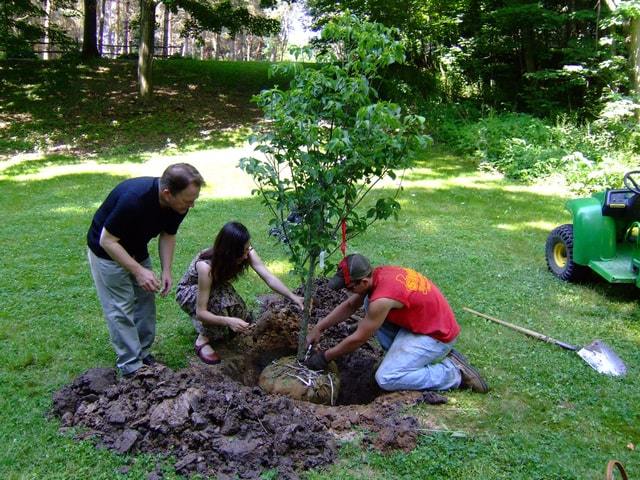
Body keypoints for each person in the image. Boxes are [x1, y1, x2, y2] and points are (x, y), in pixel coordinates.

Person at [305, 254, 488, 393]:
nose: (348, 291)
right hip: (425, 324)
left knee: (386, 378)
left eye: (350, 287)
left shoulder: (382, 299)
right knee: (368, 302)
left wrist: (325, 357)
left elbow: (358, 338)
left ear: (363, 280)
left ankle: (454, 372)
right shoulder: (379, 275)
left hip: (437, 336)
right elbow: (351, 305)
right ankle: (402, 361)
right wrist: (319, 327)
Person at [87, 163, 204, 377]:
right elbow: (107, 240)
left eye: (194, 199)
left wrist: (166, 270)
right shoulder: (134, 200)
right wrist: (139, 271)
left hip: (136, 247)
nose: (192, 205)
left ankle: (142, 353)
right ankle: (131, 366)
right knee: (121, 307)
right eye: (188, 200)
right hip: (107, 252)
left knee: (145, 301)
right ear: (167, 193)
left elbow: (168, 234)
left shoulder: (179, 205)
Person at [176, 221, 304, 364]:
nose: (246, 255)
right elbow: (201, 312)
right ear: (229, 252)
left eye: (247, 248)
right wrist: (228, 321)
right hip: (189, 292)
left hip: (217, 287)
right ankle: (203, 338)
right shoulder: (206, 266)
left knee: (239, 312)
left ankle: (223, 325)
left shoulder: (246, 252)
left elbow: (268, 277)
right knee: (220, 304)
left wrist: (293, 297)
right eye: (242, 252)